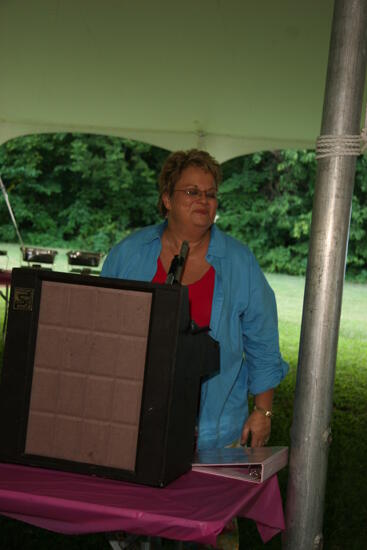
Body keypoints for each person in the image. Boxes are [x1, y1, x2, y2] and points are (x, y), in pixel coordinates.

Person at [101, 149, 288, 450]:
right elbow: (100, 332)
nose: (204, 200)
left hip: (215, 433)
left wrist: (262, 412)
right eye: (192, 192)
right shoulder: (128, 254)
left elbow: (263, 344)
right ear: (166, 199)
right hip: (132, 422)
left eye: (210, 194)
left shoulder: (240, 262)